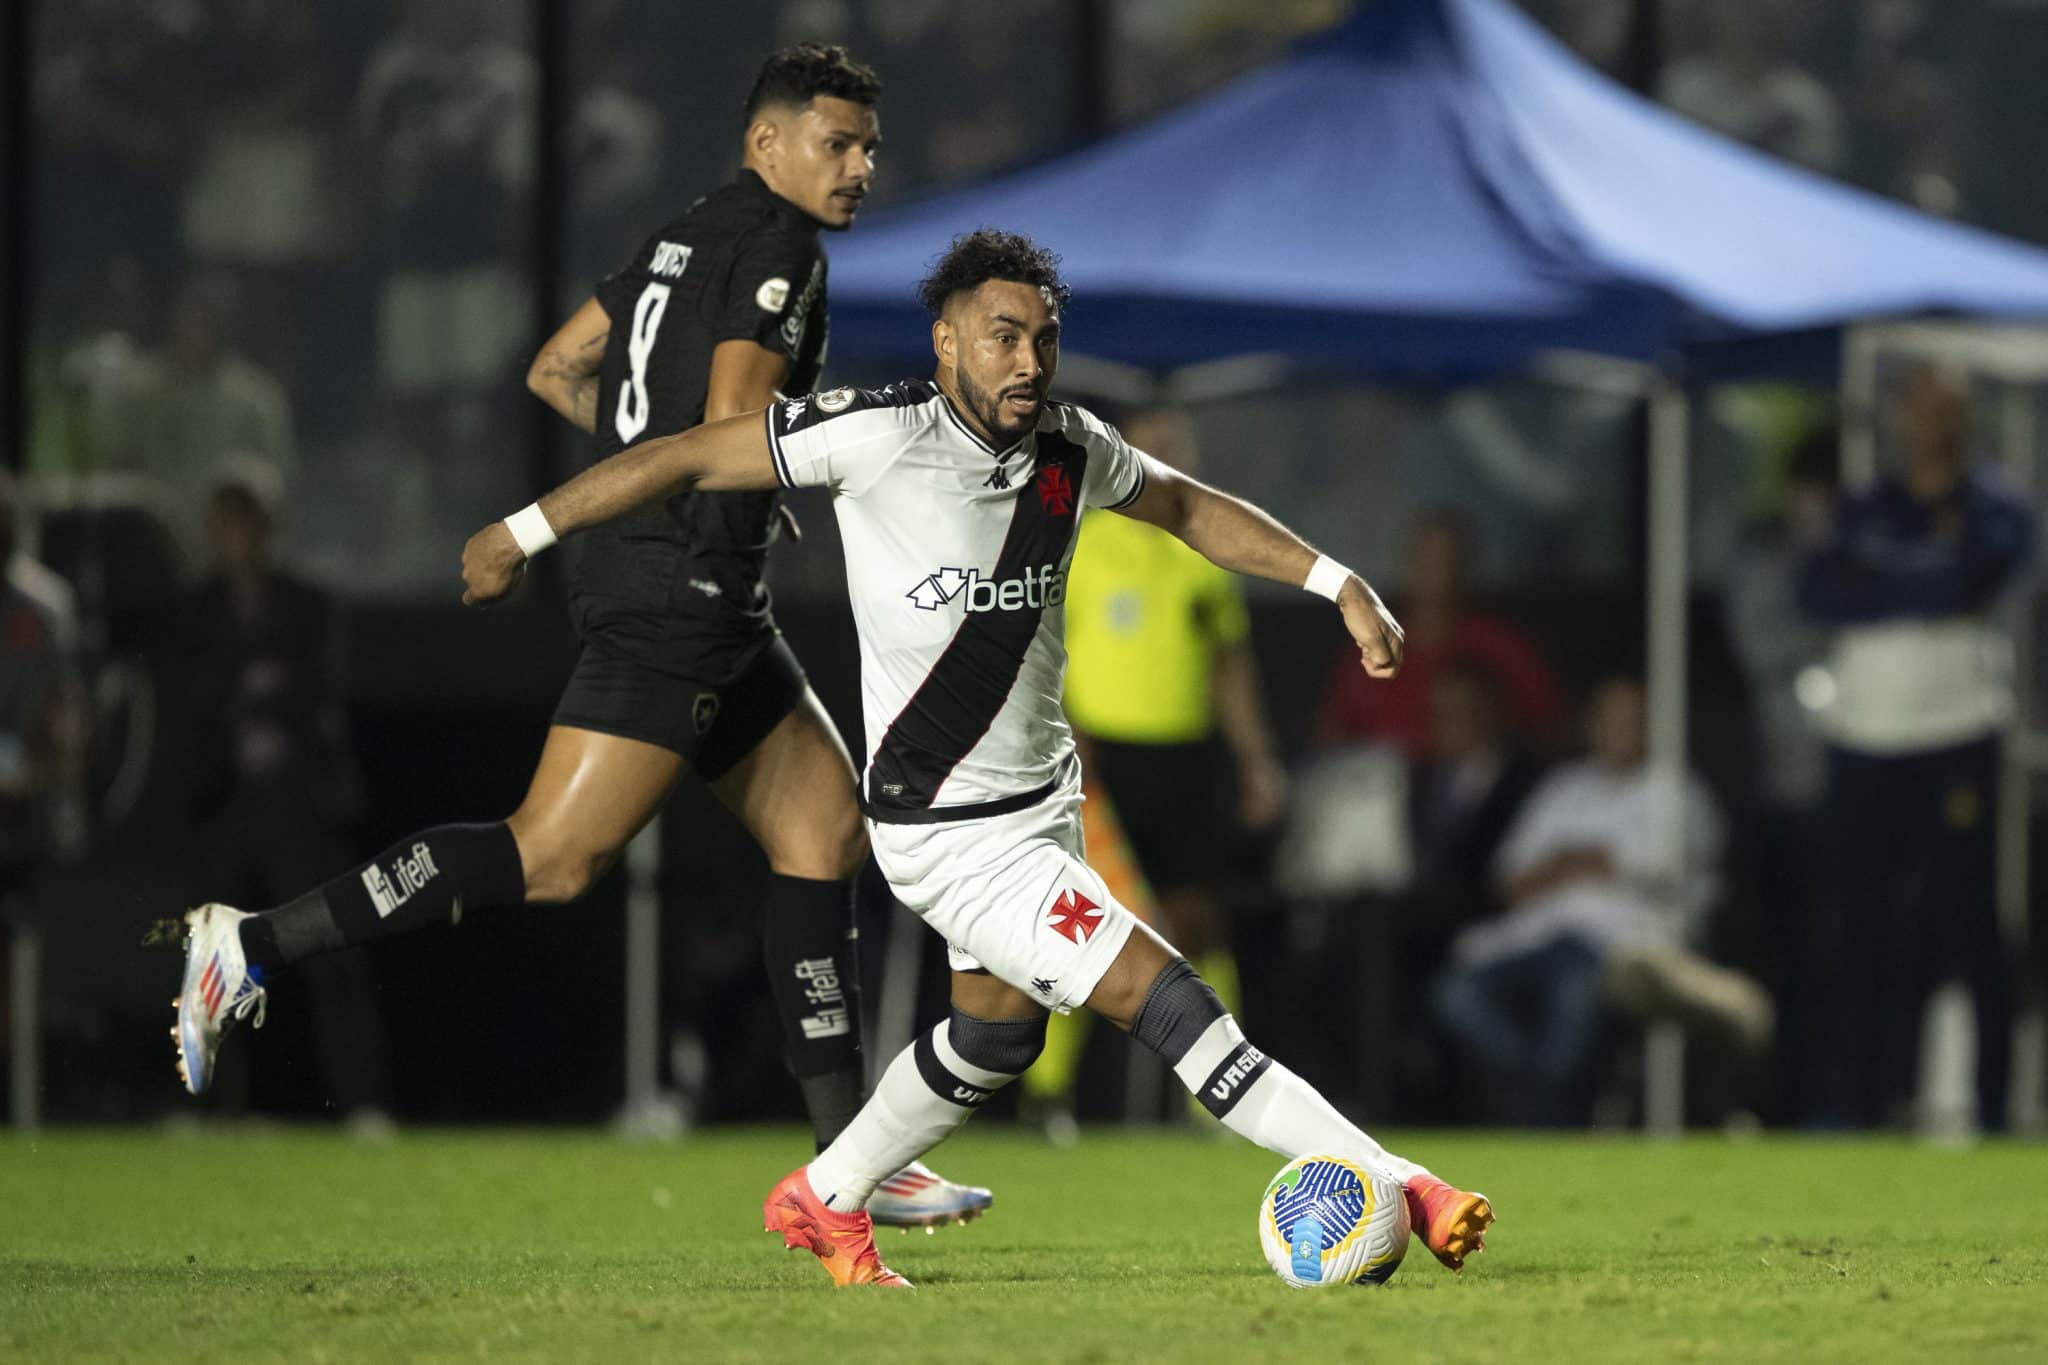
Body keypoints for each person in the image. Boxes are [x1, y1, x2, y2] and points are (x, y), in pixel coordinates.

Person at [456, 228, 1495, 1288]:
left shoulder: (1069, 448)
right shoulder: (872, 437)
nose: (1027, 362)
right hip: (950, 837)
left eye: (1043, 339)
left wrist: (1335, 583)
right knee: (1170, 1000)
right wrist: (522, 531)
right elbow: (686, 452)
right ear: (944, 339)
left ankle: (823, 1195)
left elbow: (1185, 507)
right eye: (1002, 337)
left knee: (995, 1040)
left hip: (1040, 807)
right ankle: (1399, 1180)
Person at [173, 44, 987, 1227]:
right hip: (675, 592)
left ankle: (852, 1161)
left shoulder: (686, 230)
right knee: (551, 858)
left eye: (868, 145)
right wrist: (752, 476)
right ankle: (246, 947)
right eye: (836, 142)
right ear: (766, 143)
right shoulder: (779, 252)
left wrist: (693, 475)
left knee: (822, 831)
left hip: (683, 577)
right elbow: (732, 425)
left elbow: (557, 368)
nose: (861, 166)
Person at [1800, 367, 2033, 1131]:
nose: (1929, 420)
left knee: (1967, 922)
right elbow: (1820, 591)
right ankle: (1861, 1103)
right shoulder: (1867, 505)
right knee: (1861, 927)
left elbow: (1970, 583)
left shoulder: (1995, 503)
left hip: (1956, 735)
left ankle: (1995, 1109)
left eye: (1945, 407)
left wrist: (1884, 578)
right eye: (1919, 404)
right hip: (1864, 738)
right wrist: (1919, 576)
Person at [1050, 402, 1286, 1124]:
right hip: (1099, 759)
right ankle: (1046, 1095)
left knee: (1196, 922)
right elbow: (1040, 647)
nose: (1161, 456)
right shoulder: (1083, 538)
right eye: (1148, 442)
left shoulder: (1201, 549)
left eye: (1172, 443)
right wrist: (1061, 733)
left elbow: (1229, 663)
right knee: (1077, 922)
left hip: (1185, 757)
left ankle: (1218, 1099)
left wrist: (1255, 760)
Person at [1431, 679, 1768, 1126]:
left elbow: (1645, 870)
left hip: (1621, 947)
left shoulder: (1680, 792)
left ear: (1652, 725)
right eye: (1609, 718)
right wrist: (1583, 862)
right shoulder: (1562, 787)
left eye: (1630, 718)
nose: (1618, 729)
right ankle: (1541, 1100)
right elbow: (1512, 881)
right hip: (1536, 939)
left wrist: (1567, 862)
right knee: (1456, 995)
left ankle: (1549, 1115)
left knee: (1571, 1010)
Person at [177, 481, 389, 1125]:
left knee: (332, 956)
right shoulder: (196, 609)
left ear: (262, 530)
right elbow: (195, 696)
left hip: (299, 810)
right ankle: (209, 1107)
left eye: (237, 526)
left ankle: (365, 1105)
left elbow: (315, 692)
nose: (227, 541)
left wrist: (257, 689)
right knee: (212, 958)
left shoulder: (307, 604)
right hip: (228, 807)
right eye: (218, 528)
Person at [1317, 508, 1562, 761]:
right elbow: (1332, 740)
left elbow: (1550, 729)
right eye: (1425, 561)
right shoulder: (1370, 643)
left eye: (1446, 561)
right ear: (1408, 565)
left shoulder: (1501, 644)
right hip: (1385, 786)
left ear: (1466, 567)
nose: (1435, 574)